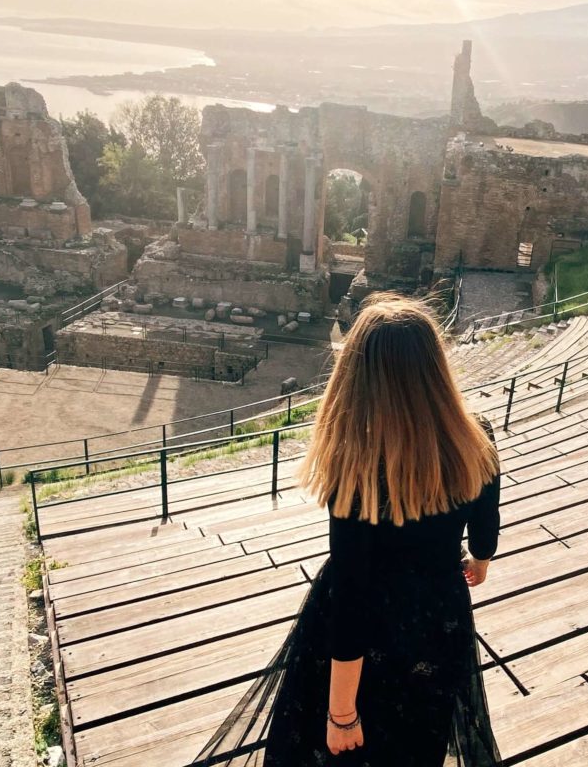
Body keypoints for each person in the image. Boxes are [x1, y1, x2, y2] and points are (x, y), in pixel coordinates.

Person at [198, 294, 502, 766]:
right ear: (435, 366)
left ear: (356, 376)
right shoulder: (476, 434)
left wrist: (341, 714)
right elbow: (486, 519)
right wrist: (479, 561)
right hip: (439, 615)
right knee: (417, 742)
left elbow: (353, 595)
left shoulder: (358, 462)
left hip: (368, 638)